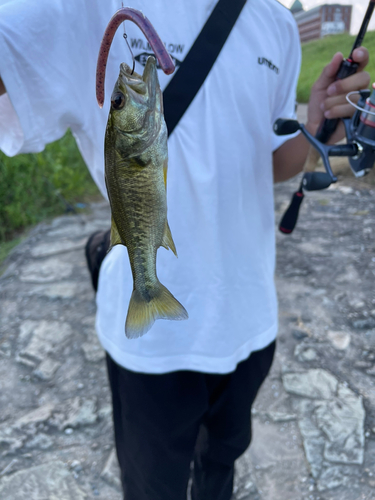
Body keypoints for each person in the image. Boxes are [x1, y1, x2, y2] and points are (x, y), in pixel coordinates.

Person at [0, 1, 370, 499]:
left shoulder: (275, 22)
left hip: (248, 320)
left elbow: (270, 160)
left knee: (220, 468)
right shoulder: (84, 8)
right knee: (155, 488)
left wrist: (322, 125)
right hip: (152, 346)